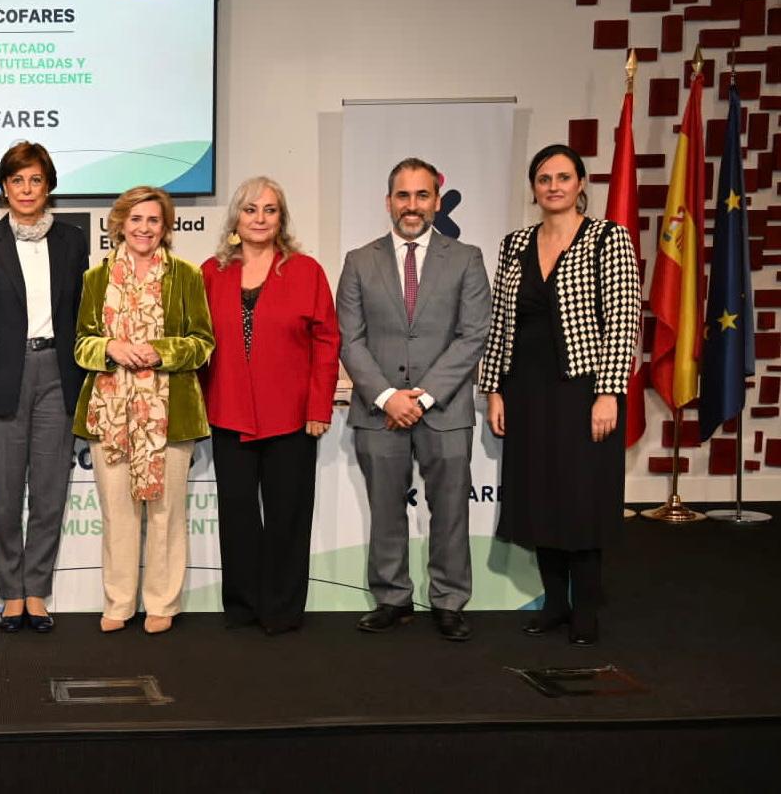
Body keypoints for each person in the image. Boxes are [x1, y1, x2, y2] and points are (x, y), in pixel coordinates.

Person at [480, 144, 639, 646]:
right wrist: (494, 388)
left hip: (583, 389)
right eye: (544, 178)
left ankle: (586, 609)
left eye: (563, 177)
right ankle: (555, 604)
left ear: (580, 184)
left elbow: (623, 320)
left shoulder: (607, 239)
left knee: (582, 498)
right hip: (526, 390)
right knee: (540, 496)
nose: (553, 186)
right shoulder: (514, 244)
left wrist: (609, 392)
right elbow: (500, 323)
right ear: (534, 188)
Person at [336, 159, 489, 641]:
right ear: (388, 202)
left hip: (445, 410)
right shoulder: (359, 261)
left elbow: (473, 335)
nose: (412, 205)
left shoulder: (466, 258)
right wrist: (386, 397)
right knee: (385, 509)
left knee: (450, 511)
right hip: (378, 411)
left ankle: (449, 601)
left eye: (422, 195)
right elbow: (350, 339)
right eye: (403, 195)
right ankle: (393, 599)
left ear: (437, 202)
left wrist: (422, 398)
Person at [201, 177, 339, 636]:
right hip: (228, 413)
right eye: (250, 209)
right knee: (237, 515)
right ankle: (243, 607)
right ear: (235, 218)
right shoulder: (211, 272)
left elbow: (326, 341)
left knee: (287, 516)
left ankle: (281, 610)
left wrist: (319, 407)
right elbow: (198, 343)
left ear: (282, 218)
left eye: (270, 210)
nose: (259, 218)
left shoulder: (306, 271)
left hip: (292, 417)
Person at [73, 186, 213, 635]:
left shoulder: (187, 275)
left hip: (169, 413)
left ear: (166, 226)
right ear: (119, 224)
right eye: (136, 219)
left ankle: (162, 602)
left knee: (165, 514)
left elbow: (203, 343)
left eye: (153, 220)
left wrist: (160, 351)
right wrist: (110, 347)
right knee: (118, 514)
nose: (144, 228)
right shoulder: (96, 278)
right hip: (110, 414)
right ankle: (118, 602)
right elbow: (81, 345)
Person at [0, 142, 87, 633]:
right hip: (2, 378)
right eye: (18, 180)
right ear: (4, 187)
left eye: (36, 180)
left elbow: (82, 313)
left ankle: (36, 591)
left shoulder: (73, 240)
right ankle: (10, 592)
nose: (27, 189)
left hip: (58, 373)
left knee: (50, 493)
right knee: (6, 495)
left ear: (48, 186)